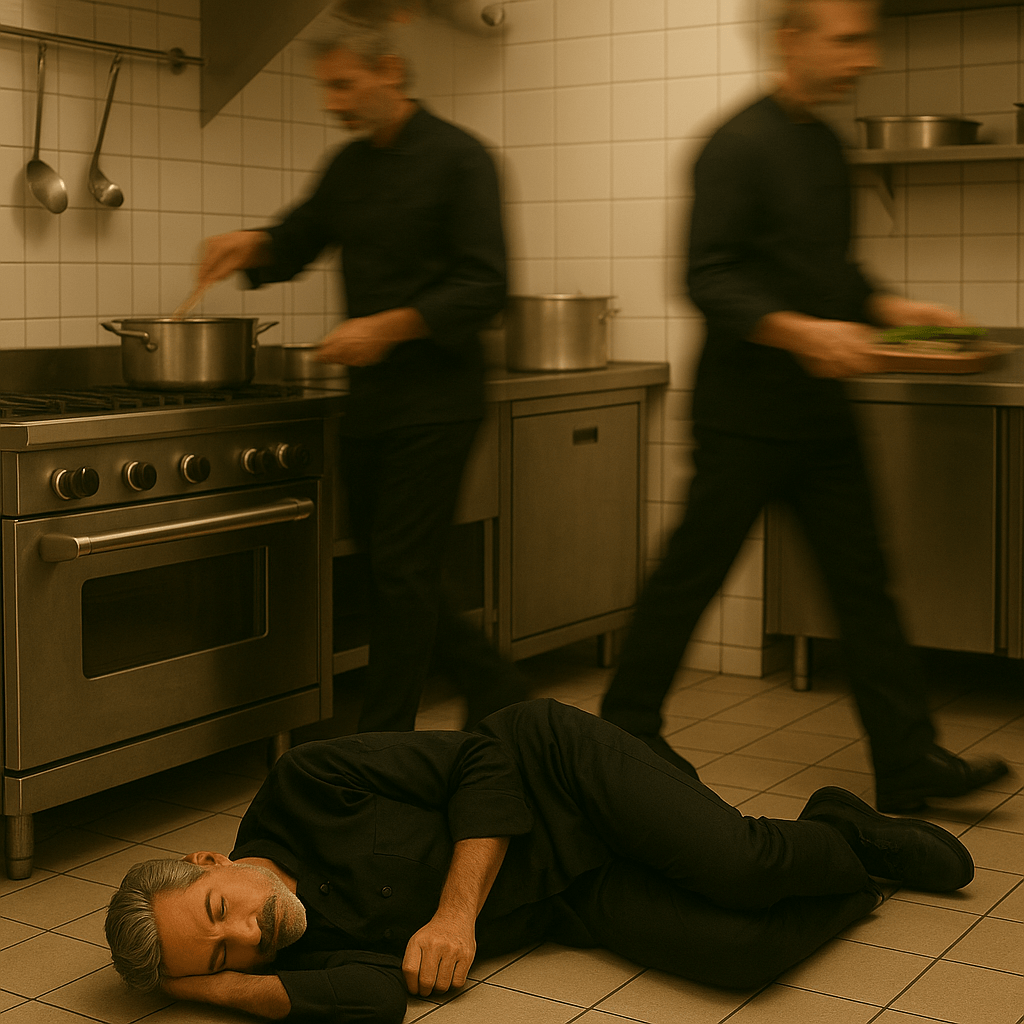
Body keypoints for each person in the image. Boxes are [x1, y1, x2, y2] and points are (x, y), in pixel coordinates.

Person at [599, 0, 1009, 813]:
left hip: (820, 415)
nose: (867, 58)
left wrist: (896, 308)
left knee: (864, 583)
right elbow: (708, 278)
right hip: (742, 416)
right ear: (793, 40)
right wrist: (805, 335)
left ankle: (906, 760)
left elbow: (830, 273)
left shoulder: (824, 144)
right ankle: (623, 731)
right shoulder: (736, 144)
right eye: (850, 39)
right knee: (691, 574)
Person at [105, 700, 975, 1023]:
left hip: (562, 776)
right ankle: (856, 868)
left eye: (221, 912)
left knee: (739, 866)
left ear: (210, 858)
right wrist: (213, 987)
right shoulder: (292, 952)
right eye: (224, 953)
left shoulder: (305, 782)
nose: (251, 934)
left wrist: (453, 915)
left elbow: (484, 758)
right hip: (569, 895)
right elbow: (376, 998)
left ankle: (843, 833)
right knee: (740, 957)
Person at [195, 19, 523, 732]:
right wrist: (248, 245)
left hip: (440, 399)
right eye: (328, 87)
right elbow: (297, 238)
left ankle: (383, 740)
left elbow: (484, 285)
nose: (332, 102)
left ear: (392, 74)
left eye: (344, 85)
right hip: (373, 400)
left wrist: (387, 326)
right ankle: (493, 684)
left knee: (400, 571)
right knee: (391, 568)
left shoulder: (463, 161)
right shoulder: (348, 168)